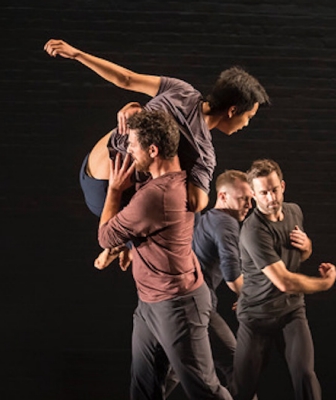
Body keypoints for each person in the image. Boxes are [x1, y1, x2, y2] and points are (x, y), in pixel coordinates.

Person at [96, 110, 274, 400]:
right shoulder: (170, 176)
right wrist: (131, 123)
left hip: (178, 305)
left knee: (203, 387)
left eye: (136, 148)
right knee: (144, 389)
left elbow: (106, 233)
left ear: (155, 149)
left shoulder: (158, 196)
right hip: (149, 304)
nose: (130, 154)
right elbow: (166, 151)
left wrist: (112, 189)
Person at [44, 39, 269, 265]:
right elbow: (197, 203)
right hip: (108, 192)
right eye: (248, 117)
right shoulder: (203, 152)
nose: (246, 124)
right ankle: (128, 242)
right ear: (232, 111)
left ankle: (128, 241)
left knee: (163, 186)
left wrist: (77, 54)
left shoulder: (182, 89)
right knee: (188, 215)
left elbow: (126, 78)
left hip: (91, 163)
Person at [176, 158, 336, 400]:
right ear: (255, 193)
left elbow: (297, 254)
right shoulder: (251, 229)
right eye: (262, 193)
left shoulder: (294, 212)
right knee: (240, 389)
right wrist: (325, 283)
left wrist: (307, 247)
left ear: (283, 187)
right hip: (256, 319)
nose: (269, 198)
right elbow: (284, 280)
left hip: (291, 312)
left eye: (274, 190)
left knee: (305, 375)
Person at [112, 169, 284, 400]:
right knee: (238, 365)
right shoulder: (226, 223)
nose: (248, 205)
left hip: (173, 306)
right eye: (244, 199)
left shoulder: (204, 219)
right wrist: (248, 299)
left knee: (172, 374)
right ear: (224, 196)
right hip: (194, 308)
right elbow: (231, 272)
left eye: (249, 199)